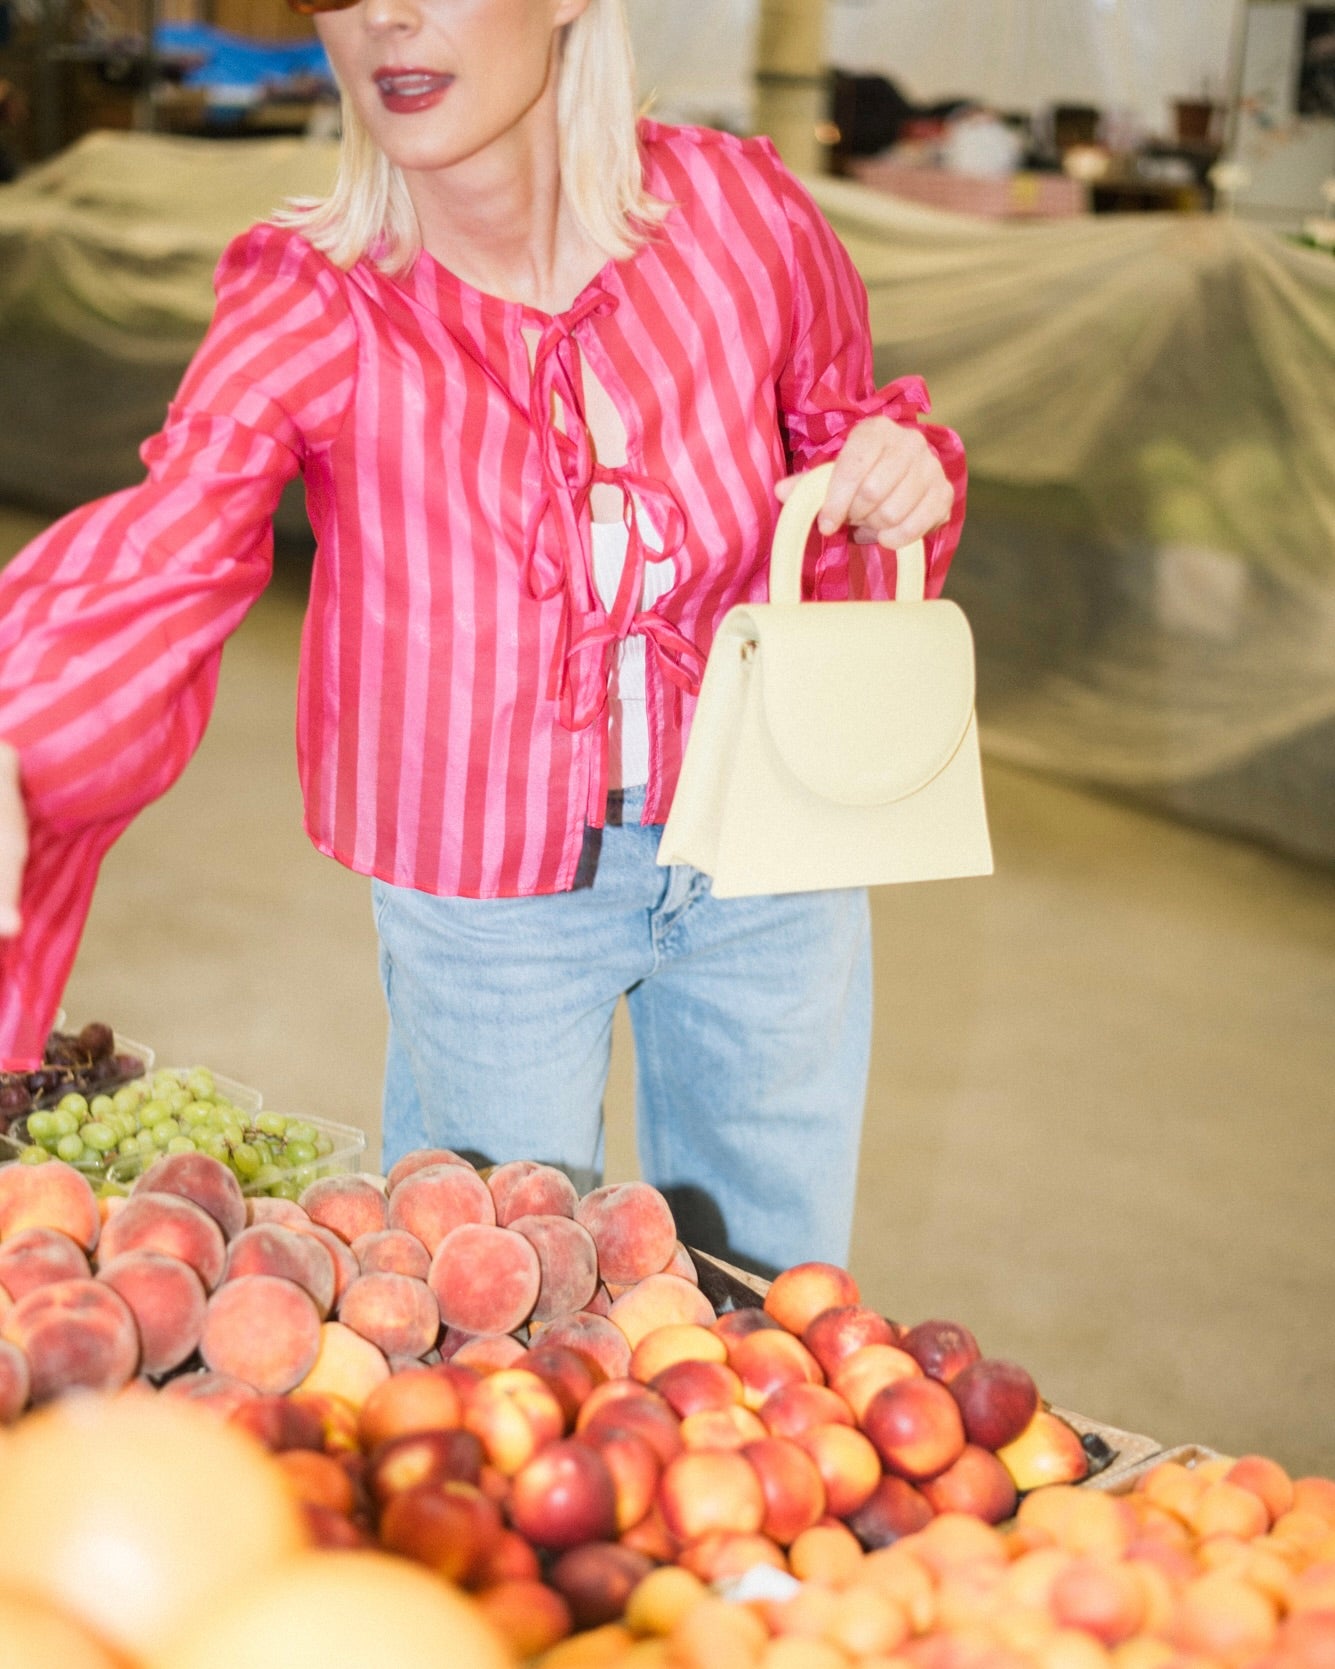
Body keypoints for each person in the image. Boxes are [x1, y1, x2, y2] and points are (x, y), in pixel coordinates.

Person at [0, 0, 965, 1272]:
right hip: (483, 894)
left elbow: (840, 427)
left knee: (771, 1294)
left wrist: (893, 467)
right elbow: (169, 538)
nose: (387, 18)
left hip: (766, 855)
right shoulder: (314, 293)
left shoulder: (743, 215)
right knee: (488, 1298)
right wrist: (21, 722)